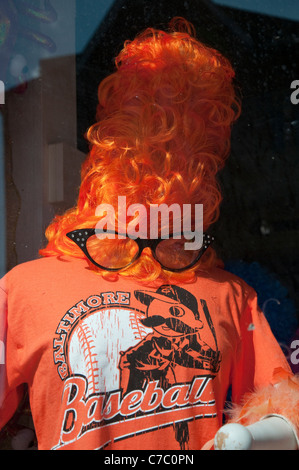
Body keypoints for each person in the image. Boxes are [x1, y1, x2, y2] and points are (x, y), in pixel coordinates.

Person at [0, 18, 298, 451]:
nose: (153, 189)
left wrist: (248, 437)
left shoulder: (231, 296)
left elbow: (287, 414)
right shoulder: (23, 289)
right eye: (140, 161)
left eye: (176, 158)